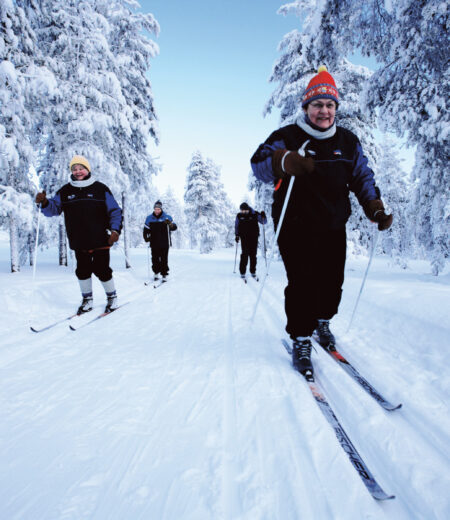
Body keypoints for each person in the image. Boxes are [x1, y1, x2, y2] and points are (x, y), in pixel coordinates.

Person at [250, 65, 393, 377]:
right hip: (294, 225)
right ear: (306, 107)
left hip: (332, 224)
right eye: (317, 105)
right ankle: (301, 337)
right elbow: (258, 164)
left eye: (330, 105)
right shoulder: (286, 137)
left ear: (336, 108)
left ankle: (322, 322)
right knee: (302, 283)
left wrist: (374, 207)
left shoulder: (348, 141)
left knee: (331, 283)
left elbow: (362, 177)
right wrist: (282, 160)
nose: (324, 111)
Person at [35, 155, 123, 314]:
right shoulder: (65, 191)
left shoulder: (100, 189)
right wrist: (45, 203)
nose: (78, 172)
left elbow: (115, 210)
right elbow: (53, 210)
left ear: (87, 169)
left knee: (102, 269)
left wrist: (115, 230)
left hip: (101, 238)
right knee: (82, 270)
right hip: (78, 239)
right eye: (74, 169)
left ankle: (112, 297)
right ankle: (87, 300)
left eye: (81, 168)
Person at [143, 201, 177, 281]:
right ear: (154, 209)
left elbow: (174, 228)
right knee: (154, 258)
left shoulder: (166, 218)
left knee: (164, 259)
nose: (157, 211)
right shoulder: (149, 218)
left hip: (165, 242)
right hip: (154, 242)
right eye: (155, 209)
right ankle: (156, 273)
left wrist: (171, 225)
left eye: (158, 209)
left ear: (161, 209)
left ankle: (164, 274)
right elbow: (145, 230)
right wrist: (146, 238)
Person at [235, 202, 267, 279]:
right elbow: (236, 225)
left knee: (253, 255)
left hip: (254, 237)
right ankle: (242, 272)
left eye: (245, 211)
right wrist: (237, 235)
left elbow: (264, 222)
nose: (244, 212)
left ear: (248, 209)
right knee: (244, 254)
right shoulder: (239, 216)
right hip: (244, 238)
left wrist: (263, 216)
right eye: (242, 211)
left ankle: (253, 271)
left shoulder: (255, 214)